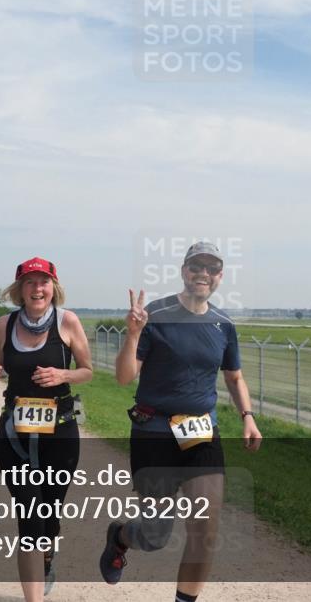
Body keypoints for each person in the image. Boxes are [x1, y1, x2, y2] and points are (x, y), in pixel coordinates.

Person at [99, 241, 262, 602]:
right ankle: (121, 536)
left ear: (220, 276)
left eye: (212, 268)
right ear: (183, 270)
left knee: (206, 529)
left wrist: (247, 417)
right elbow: (125, 378)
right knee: (155, 535)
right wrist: (134, 333)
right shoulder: (155, 315)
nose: (203, 274)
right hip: (154, 431)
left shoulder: (223, 325)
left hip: (202, 432)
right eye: (196, 266)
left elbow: (234, 378)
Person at [0, 257, 92, 601]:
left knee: (50, 515)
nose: (37, 288)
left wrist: (63, 375)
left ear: (53, 287)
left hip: (60, 433)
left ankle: (47, 555)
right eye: (30, 281)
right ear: (19, 289)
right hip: (15, 433)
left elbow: (87, 370)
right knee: (30, 516)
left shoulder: (68, 322)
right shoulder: (5, 323)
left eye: (43, 281)